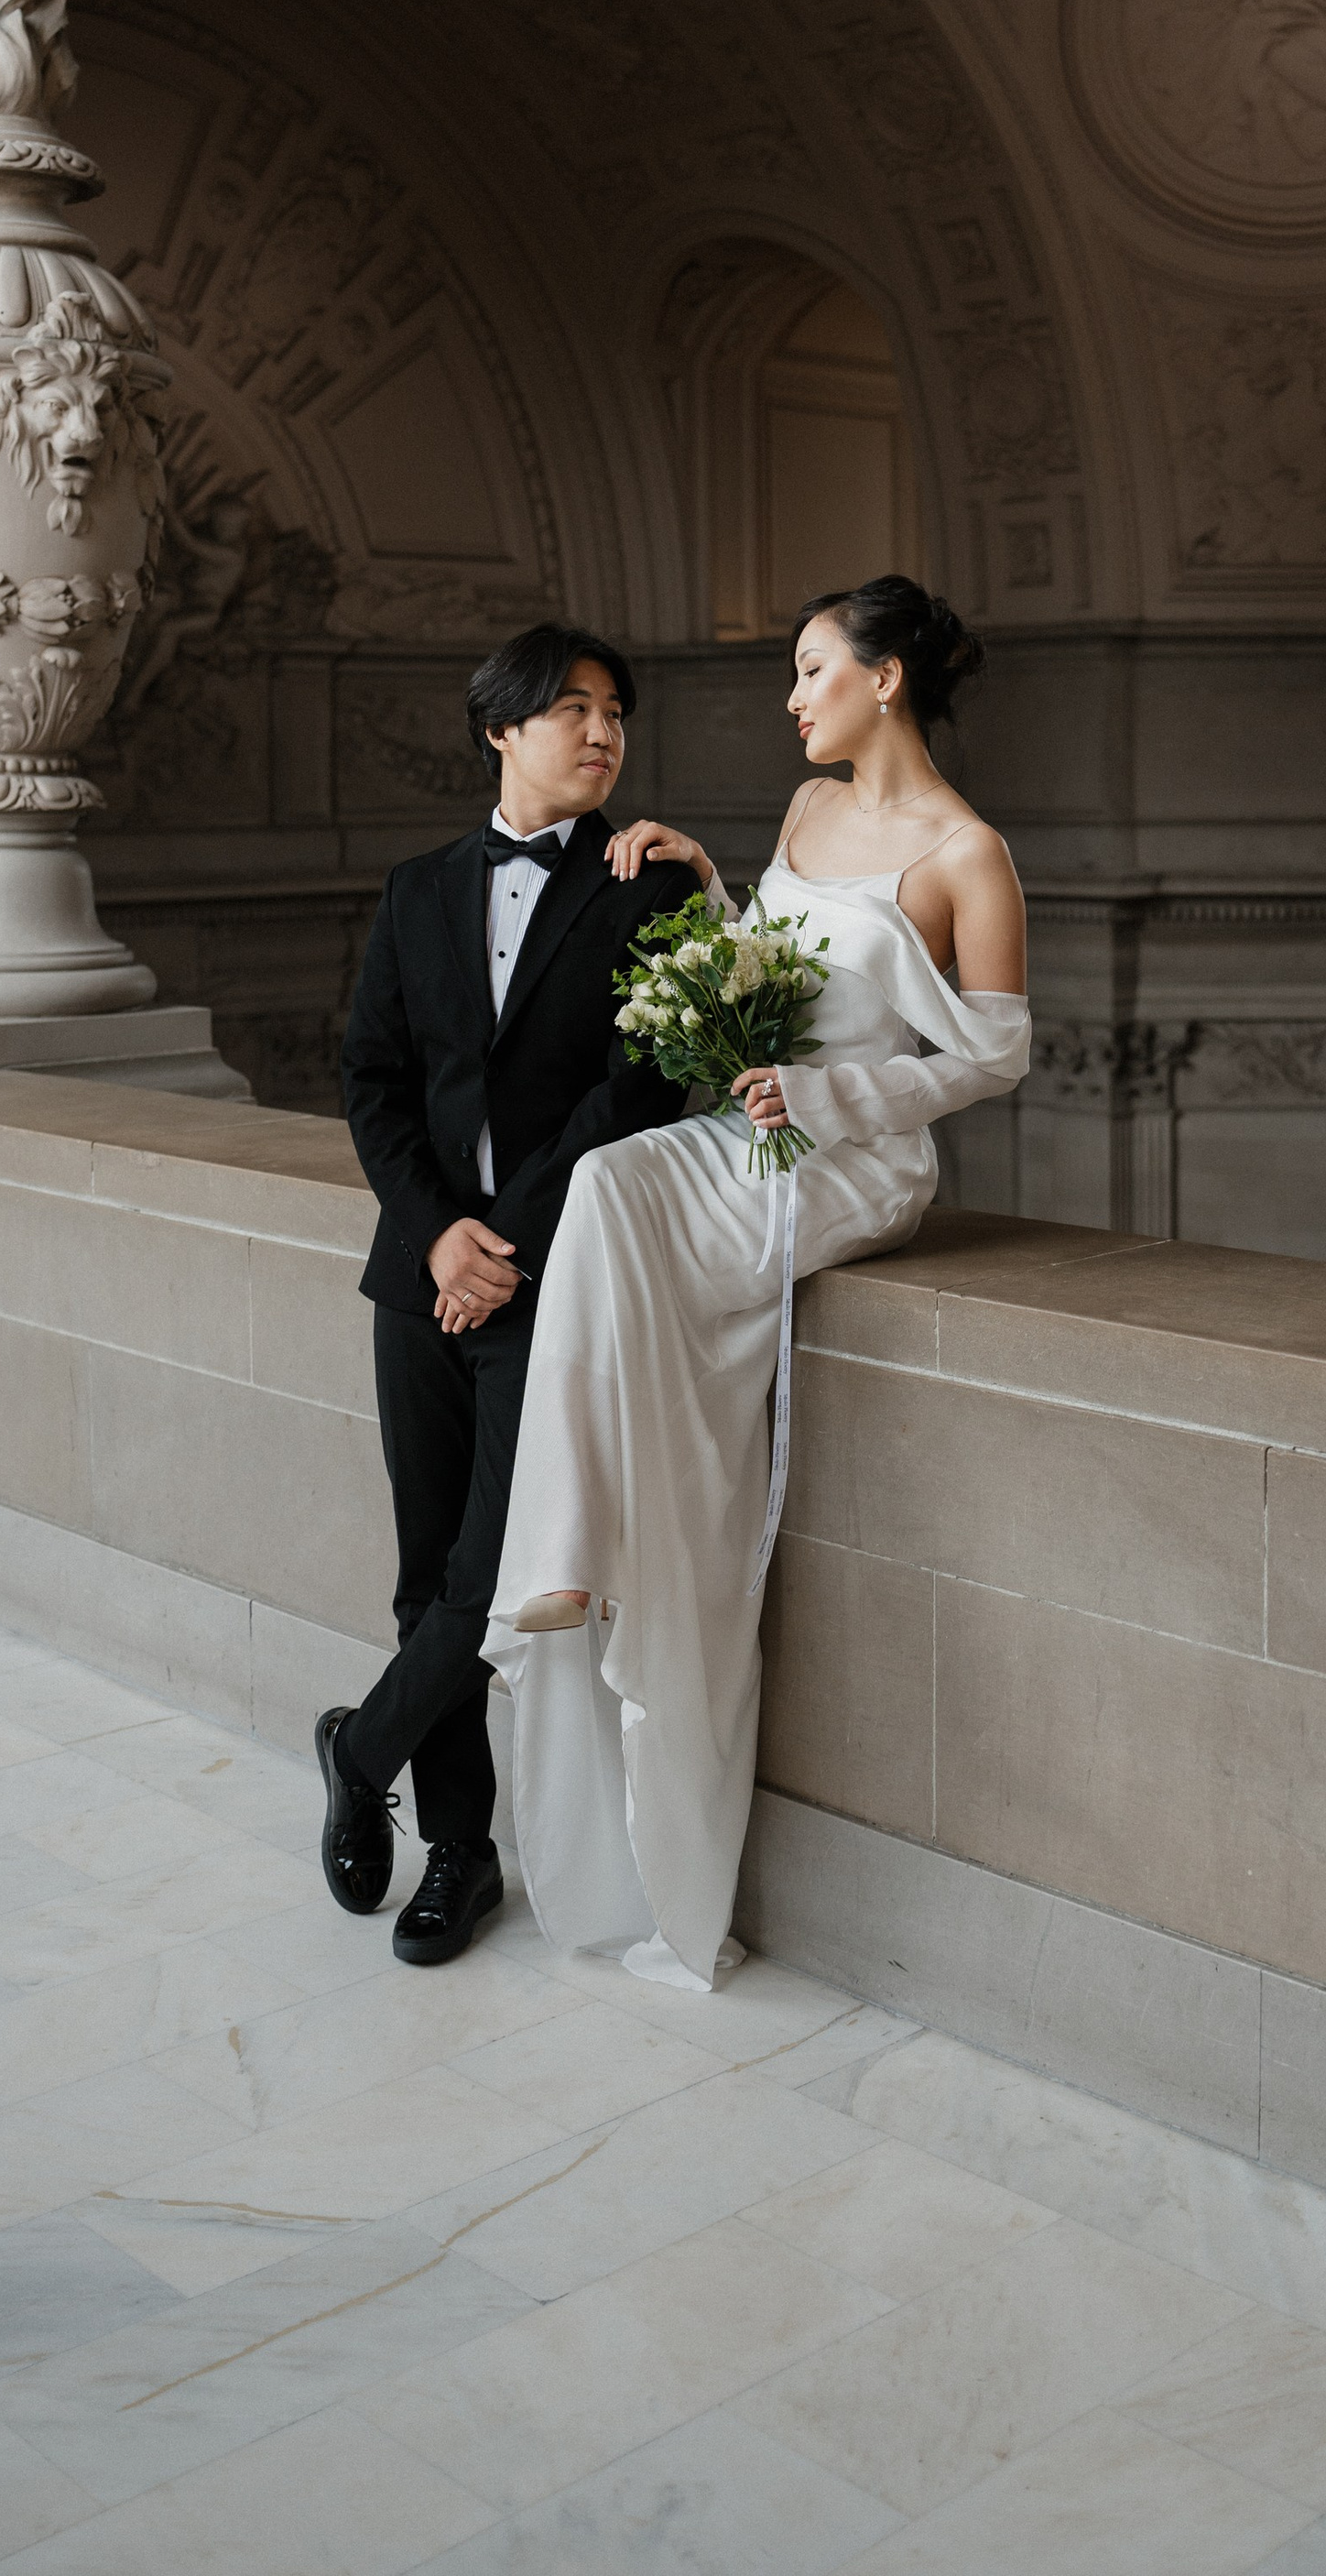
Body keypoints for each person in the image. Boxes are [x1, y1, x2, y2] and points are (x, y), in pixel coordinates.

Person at [485, 575, 1031, 1992]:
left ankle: (577, 1551)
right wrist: (714, 893)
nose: (791, 698)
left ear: (885, 679)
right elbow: (789, 965)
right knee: (607, 1186)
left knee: (615, 1205)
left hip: (855, 1159)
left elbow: (991, 1058)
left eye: (810, 670)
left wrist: (826, 1097)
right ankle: (569, 1558)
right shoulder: (801, 817)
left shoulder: (969, 854)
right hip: (750, 1125)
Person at [317, 626, 701, 1963]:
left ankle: (358, 1749)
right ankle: (459, 1858)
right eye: (572, 711)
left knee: (488, 1585)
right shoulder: (419, 887)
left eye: (615, 714)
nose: (602, 734)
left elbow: (641, 1093)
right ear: (501, 728)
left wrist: (504, 1242)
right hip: (415, 1286)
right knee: (426, 1576)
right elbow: (371, 1078)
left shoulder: (649, 897)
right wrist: (436, 1242)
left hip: (553, 1282)